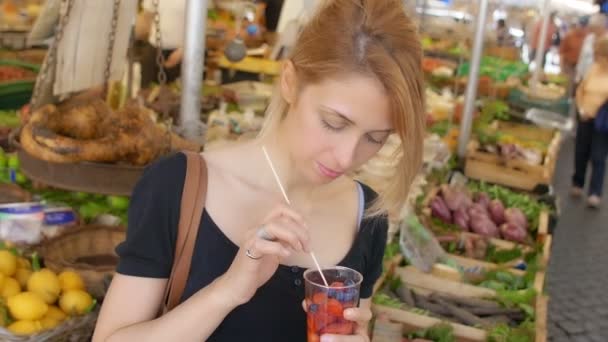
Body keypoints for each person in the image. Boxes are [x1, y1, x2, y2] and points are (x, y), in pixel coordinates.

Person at [93, 0, 425, 341]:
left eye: (375, 138)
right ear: (290, 82)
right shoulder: (177, 186)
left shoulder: (366, 215)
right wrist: (227, 291)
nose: (346, 158)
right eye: (333, 123)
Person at [572, 36, 608, 208]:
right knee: (581, 152)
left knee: (598, 156)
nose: (596, 58)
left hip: (602, 123)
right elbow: (580, 90)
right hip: (585, 117)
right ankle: (577, 183)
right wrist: (581, 109)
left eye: (600, 55)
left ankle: (595, 193)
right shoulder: (593, 69)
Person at [135, 0, 186, 88]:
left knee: (175, 95)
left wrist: (184, 50)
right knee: (146, 92)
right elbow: (146, 17)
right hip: (153, 49)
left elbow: (202, 24)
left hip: (180, 53)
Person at [575, 14, 608, 84]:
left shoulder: (606, 40)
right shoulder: (589, 38)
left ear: (601, 27)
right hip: (585, 76)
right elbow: (582, 57)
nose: (591, 29)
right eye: (591, 27)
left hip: (601, 79)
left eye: (594, 27)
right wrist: (578, 75)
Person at [559, 17, 590, 92]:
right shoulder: (569, 36)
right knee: (568, 85)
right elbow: (562, 52)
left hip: (581, 67)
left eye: (584, 27)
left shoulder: (588, 37)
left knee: (577, 85)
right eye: (581, 26)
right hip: (569, 65)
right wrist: (561, 67)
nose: (582, 28)